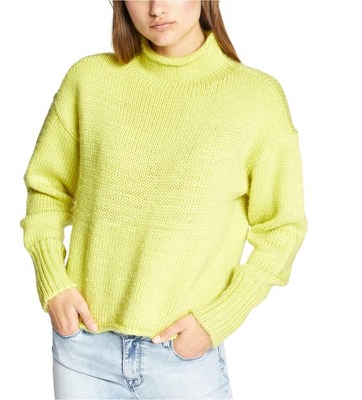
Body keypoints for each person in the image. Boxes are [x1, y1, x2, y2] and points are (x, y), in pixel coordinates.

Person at [19, 1, 308, 399]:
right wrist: (54, 283)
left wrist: (219, 318)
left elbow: (282, 228)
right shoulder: (90, 80)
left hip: (182, 360)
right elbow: (47, 189)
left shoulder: (255, 98)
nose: (156, 8)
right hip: (83, 353)